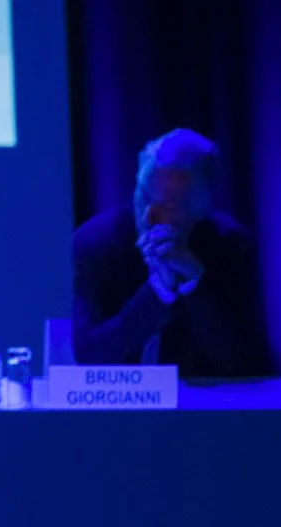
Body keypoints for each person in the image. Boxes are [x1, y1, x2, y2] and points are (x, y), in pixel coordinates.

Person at [71, 128, 268, 376]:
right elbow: (90, 359)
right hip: (116, 410)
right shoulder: (95, 243)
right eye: (143, 197)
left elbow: (242, 364)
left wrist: (195, 283)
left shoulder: (231, 245)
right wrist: (159, 289)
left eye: (168, 207)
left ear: (201, 208)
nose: (148, 217)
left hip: (201, 409)